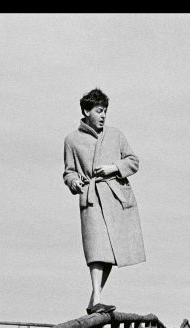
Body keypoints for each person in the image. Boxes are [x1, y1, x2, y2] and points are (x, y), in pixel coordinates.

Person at [63, 88, 147, 315]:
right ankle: (97, 298)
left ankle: (94, 300)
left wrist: (114, 168)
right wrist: (74, 183)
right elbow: (68, 172)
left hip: (116, 199)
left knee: (109, 255)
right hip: (92, 199)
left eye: (106, 112)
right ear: (86, 110)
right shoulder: (72, 140)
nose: (103, 116)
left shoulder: (116, 135)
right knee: (96, 251)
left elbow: (133, 161)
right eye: (99, 111)